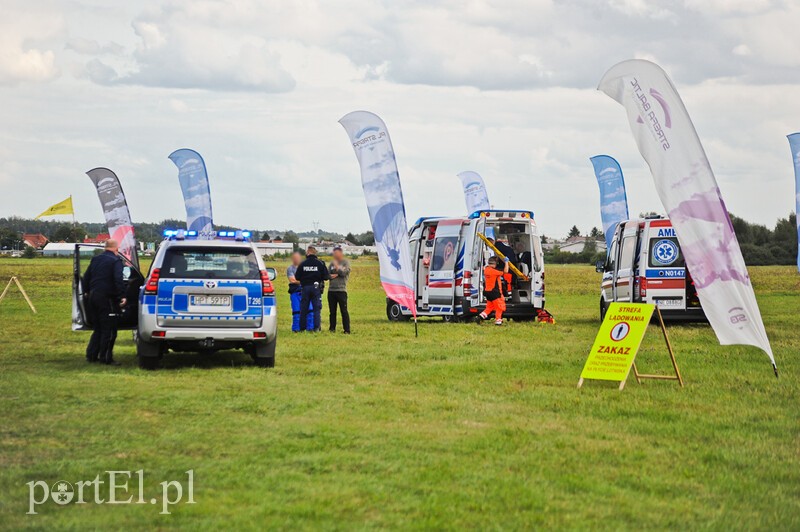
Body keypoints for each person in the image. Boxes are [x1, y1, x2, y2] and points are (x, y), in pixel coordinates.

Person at [83, 239, 126, 365]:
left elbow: (86, 277)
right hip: (107, 299)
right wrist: (122, 295)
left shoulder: (96, 259)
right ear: (116, 248)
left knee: (98, 328)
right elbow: (118, 279)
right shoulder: (115, 261)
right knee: (109, 329)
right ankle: (106, 358)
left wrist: (86, 291)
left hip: (93, 297)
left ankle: (91, 355)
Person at [295, 246, 330, 332]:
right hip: (316, 288)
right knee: (316, 309)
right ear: (315, 253)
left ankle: (302, 328)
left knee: (303, 309)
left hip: (305, 288)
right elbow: (326, 276)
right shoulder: (320, 263)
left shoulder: (302, 264)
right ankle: (317, 328)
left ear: (308, 253)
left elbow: (297, 277)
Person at [286, 252, 314, 332]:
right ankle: (296, 329)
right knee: (296, 311)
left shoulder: (305, 267)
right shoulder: (290, 269)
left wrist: (300, 280)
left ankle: (310, 328)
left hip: (306, 291)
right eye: (294, 258)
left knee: (310, 310)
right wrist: (304, 280)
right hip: (295, 292)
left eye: (298, 258)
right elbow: (292, 280)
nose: (296, 259)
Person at [327, 246, 351, 334]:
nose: (335, 255)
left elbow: (343, 273)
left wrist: (337, 267)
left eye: (336, 253)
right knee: (332, 312)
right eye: (334, 253)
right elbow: (327, 275)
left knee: (344, 311)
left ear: (341, 253)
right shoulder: (331, 263)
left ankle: (347, 330)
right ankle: (332, 329)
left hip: (341, 290)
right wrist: (333, 275)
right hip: (331, 291)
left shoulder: (345, 263)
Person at [479, 256, 509, 326]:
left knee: (490, 306)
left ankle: (482, 315)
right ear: (495, 264)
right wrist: (506, 262)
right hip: (495, 292)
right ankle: (498, 320)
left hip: (487, 292)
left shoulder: (486, 269)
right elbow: (506, 271)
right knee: (500, 306)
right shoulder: (494, 271)